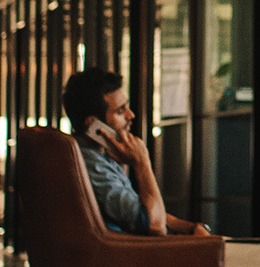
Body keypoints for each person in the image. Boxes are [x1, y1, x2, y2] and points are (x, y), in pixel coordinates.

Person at [64, 68, 202, 236]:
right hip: (122, 257)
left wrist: (190, 228)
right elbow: (154, 225)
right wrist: (142, 162)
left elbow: (138, 210)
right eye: (120, 111)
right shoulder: (90, 163)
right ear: (94, 125)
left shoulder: (100, 156)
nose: (131, 115)